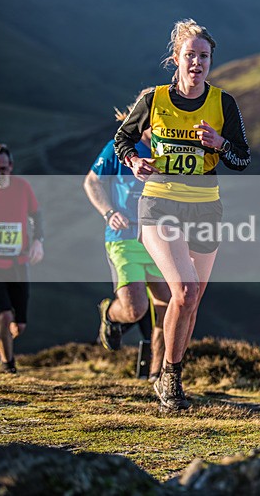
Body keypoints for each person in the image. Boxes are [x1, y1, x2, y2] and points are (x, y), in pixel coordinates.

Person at [114, 19, 251, 411]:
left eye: (203, 56)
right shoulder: (154, 100)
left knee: (192, 299)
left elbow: (242, 158)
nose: (197, 62)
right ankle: (169, 379)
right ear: (176, 59)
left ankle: (171, 371)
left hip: (206, 207)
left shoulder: (223, 103)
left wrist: (220, 143)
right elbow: (123, 137)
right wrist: (134, 159)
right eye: (189, 55)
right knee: (185, 290)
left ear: (210, 61)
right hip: (159, 204)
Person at [84, 91, 170, 382]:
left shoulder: (170, 149)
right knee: (135, 310)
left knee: (168, 306)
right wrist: (109, 213)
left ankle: (157, 376)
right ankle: (111, 315)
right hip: (124, 238)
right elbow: (93, 181)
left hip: (160, 238)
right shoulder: (118, 147)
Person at [0, 143, 44, 374]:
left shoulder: (22, 187)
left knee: (18, 324)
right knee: (4, 314)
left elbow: (35, 216)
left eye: (2, 168)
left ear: (10, 167)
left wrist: (37, 241)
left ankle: (6, 350)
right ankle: (8, 365)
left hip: (18, 265)